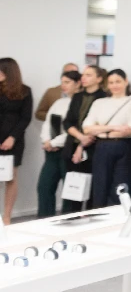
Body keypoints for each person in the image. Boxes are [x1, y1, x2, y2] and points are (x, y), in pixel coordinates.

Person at [83, 69, 131, 208]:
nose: (114, 85)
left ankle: (117, 219)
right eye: (111, 82)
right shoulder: (99, 102)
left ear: (125, 82)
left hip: (124, 146)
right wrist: (114, 128)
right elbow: (86, 127)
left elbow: (130, 130)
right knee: (100, 185)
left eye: (118, 81)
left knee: (120, 186)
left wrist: (101, 128)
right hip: (102, 146)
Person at [62, 66, 108, 213]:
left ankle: (89, 218)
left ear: (99, 79)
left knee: (92, 188)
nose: (84, 77)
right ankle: (71, 218)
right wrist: (80, 137)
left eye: (89, 75)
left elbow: (101, 124)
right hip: (74, 143)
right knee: (73, 186)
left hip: (94, 147)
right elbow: (68, 122)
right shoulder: (77, 96)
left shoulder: (104, 98)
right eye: (84, 75)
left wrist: (83, 143)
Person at [37, 70, 81, 218]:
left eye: (67, 82)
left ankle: (68, 221)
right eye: (62, 82)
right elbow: (47, 123)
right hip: (51, 151)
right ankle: (44, 219)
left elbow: (74, 128)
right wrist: (46, 141)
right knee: (44, 187)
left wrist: (55, 142)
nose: (63, 85)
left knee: (69, 190)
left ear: (78, 84)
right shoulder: (59, 102)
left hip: (68, 150)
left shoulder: (80, 103)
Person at [0, 58, 33, 224]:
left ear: (8, 72)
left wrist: (12, 137)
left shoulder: (25, 91)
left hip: (13, 140)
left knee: (10, 177)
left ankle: (7, 216)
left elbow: (25, 118)